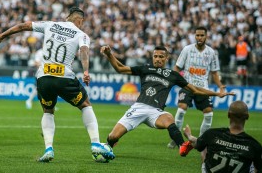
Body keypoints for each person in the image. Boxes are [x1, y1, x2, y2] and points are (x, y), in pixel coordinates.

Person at [0, 7, 115, 162]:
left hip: (44, 77)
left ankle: (48, 149)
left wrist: (2, 36)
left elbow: (23, 26)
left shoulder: (50, 24)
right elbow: (84, 51)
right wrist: (86, 71)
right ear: (80, 21)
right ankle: (95, 143)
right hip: (64, 77)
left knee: (48, 111)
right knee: (85, 105)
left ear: (67, 17)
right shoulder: (82, 34)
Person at [100, 45, 234, 157]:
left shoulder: (172, 75)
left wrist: (217, 93)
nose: (158, 59)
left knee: (169, 118)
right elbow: (120, 68)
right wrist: (109, 54)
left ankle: (182, 146)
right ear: (153, 57)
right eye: (155, 56)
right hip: (139, 108)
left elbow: (196, 90)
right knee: (112, 137)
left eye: (161, 56)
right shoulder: (145, 69)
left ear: (166, 58)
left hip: (156, 112)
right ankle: (109, 147)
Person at [168, 26, 225, 169]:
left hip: (203, 88)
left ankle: (201, 140)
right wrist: (173, 79)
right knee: (181, 109)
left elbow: (214, 73)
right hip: (187, 85)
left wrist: (220, 86)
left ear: (206, 36)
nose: (199, 37)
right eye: (197, 35)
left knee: (209, 114)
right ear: (195, 36)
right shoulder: (187, 49)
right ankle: (175, 140)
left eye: (202, 35)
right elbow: (177, 67)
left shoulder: (211, 53)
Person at [183, 101, 262, 173]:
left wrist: (189, 136)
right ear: (247, 116)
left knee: (204, 145)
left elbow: (198, 145)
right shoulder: (254, 145)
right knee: (254, 162)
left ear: (228, 114)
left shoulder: (212, 134)